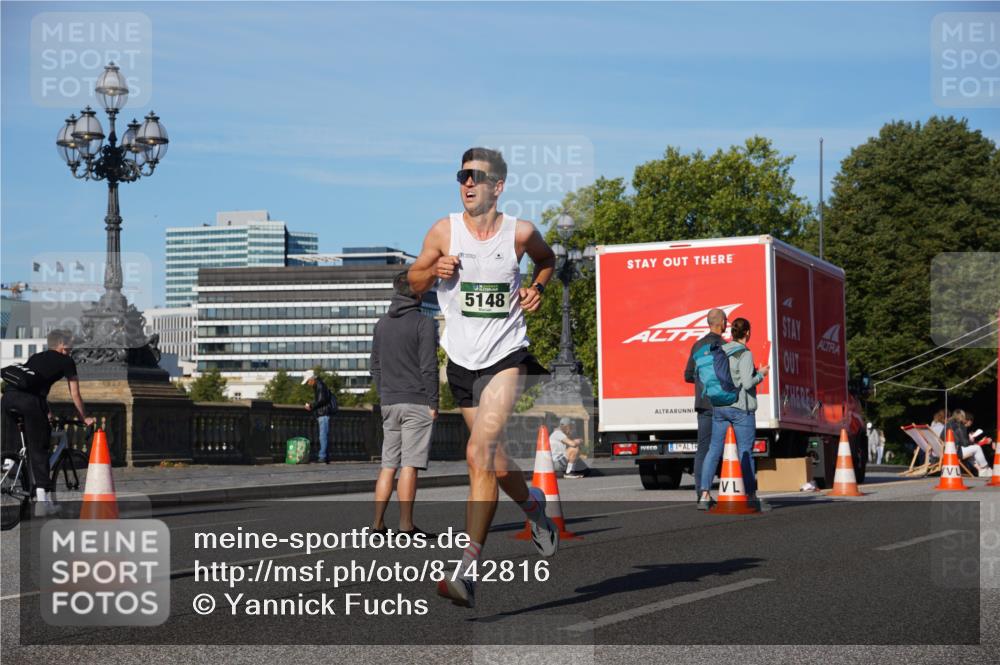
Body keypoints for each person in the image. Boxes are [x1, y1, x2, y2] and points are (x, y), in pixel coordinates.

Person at [408, 146, 558, 608]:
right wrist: (433, 270)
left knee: (478, 452)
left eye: (477, 176)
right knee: (493, 461)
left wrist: (536, 288)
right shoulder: (444, 230)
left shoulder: (520, 233)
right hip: (460, 364)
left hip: (505, 357)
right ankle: (535, 509)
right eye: (462, 175)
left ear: (498, 186)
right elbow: (410, 282)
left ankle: (466, 572)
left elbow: (547, 260)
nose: (467, 183)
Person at [369, 270, 439, 536]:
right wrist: (433, 402)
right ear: (417, 291)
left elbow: (374, 366)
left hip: (389, 402)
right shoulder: (423, 323)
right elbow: (429, 367)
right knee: (410, 464)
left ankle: (377, 524)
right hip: (417, 402)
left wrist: (384, 392)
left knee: (388, 464)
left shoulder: (381, 324)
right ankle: (406, 525)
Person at [1, 330, 96, 510]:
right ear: (61, 344)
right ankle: (43, 503)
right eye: (70, 345)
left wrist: (46, 411)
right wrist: (85, 418)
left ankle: (10, 461)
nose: (72, 348)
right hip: (29, 403)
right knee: (40, 448)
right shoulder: (66, 361)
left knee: (17, 435)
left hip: (8, 398)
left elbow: (33, 386)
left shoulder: (37, 357)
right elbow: (75, 394)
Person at [698, 318, 770, 511]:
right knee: (745, 451)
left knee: (714, 450)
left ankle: (704, 494)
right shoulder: (745, 354)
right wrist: (761, 373)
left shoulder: (722, 350)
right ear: (747, 332)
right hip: (740, 409)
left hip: (720, 407)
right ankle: (750, 496)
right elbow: (747, 383)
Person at [684, 308, 728, 503]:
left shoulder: (697, 346)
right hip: (724, 404)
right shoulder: (726, 346)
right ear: (722, 323)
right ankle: (739, 490)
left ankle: (701, 492)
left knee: (703, 448)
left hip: (703, 404)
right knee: (727, 446)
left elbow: (687, 375)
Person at [303, 371, 336, 463]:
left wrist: (311, 406)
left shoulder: (319, 385)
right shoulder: (320, 385)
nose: (307, 384)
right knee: (325, 435)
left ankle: (322, 456)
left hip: (323, 414)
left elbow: (322, 400)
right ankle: (326, 456)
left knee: (323, 436)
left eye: (308, 381)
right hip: (324, 413)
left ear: (312, 379)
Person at [946, 409, 991, 477]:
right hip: (955, 452)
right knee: (977, 448)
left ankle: (981, 470)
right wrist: (971, 440)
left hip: (946, 450)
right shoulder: (959, 426)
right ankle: (985, 468)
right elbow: (965, 443)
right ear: (962, 417)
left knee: (972, 451)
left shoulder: (948, 424)